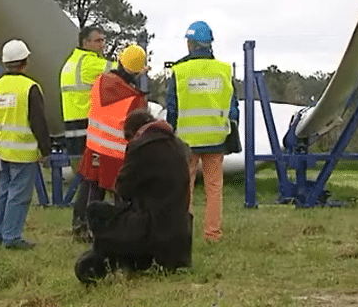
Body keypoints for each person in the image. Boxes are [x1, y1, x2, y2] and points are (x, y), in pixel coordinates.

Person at [75, 109, 192, 284]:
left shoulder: (142, 146)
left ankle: (109, 260)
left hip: (152, 231)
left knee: (95, 210)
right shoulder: (179, 145)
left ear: (133, 132)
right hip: (180, 238)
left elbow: (122, 189)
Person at [166, 21, 240, 243]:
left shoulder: (179, 71)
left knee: (183, 188)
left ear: (190, 44)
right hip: (216, 137)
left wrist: (171, 133)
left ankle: (183, 233)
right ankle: (212, 234)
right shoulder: (224, 70)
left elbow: (172, 108)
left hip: (186, 140)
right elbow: (233, 106)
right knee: (214, 188)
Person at [0, 39, 51, 250]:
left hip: (2, 149)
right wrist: (46, 150)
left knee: (3, 193)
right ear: (25, 61)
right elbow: (38, 121)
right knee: (19, 196)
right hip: (23, 151)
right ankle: (11, 237)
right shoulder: (29, 88)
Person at [60, 26, 117, 241]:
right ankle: (85, 226)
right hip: (87, 130)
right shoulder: (89, 62)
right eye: (98, 40)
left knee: (88, 179)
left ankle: (82, 224)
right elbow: (121, 70)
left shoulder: (70, 63)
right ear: (86, 42)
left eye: (103, 40)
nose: (102, 44)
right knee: (94, 180)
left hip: (73, 130)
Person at [77, 44, 148, 208]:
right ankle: (123, 229)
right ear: (138, 71)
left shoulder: (100, 81)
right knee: (123, 196)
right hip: (119, 156)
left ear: (120, 61)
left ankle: (81, 226)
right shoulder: (136, 99)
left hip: (94, 148)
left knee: (90, 190)